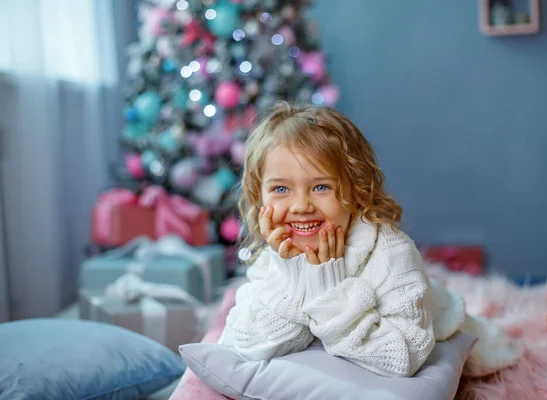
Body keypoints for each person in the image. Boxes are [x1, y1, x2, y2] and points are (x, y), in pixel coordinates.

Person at [219, 102, 521, 378]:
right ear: (260, 195)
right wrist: (294, 277)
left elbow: (403, 357)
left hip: (433, 318)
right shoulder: (274, 254)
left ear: (357, 190)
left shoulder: (390, 252)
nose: (301, 206)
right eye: (281, 190)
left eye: (322, 187)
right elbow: (244, 342)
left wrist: (328, 287)